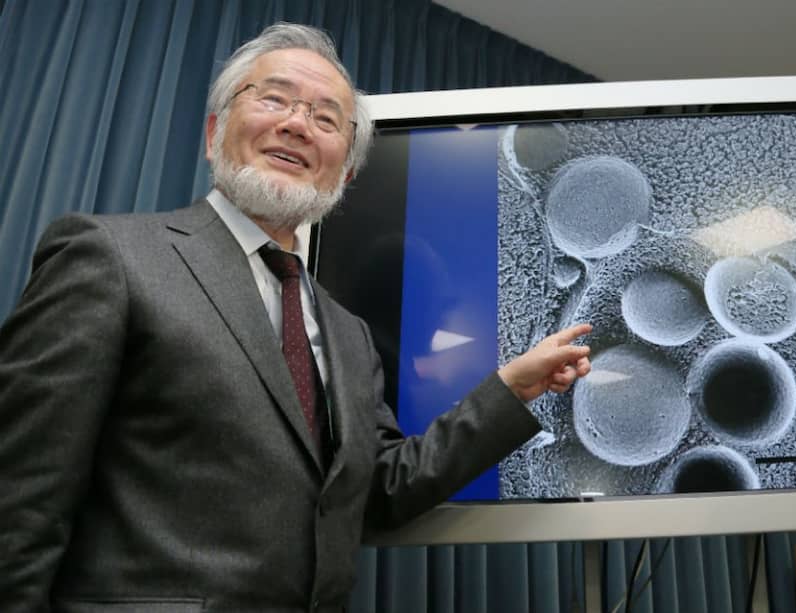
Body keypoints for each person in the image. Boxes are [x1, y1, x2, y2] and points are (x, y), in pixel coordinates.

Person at [0, 23, 591, 613]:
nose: (297, 124)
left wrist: (511, 390)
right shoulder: (111, 257)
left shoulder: (348, 336)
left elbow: (380, 493)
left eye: (326, 118)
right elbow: (19, 494)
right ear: (214, 133)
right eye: (274, 99)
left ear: (345, 174)